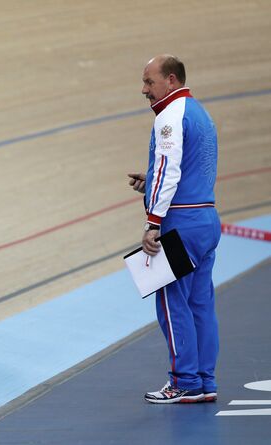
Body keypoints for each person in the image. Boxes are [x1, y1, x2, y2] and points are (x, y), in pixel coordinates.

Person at [128, 55, 221, 404]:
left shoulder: (168, 117)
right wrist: (149, 180)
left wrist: (153, 222)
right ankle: (204, 381)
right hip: (205, 219)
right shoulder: (200, 113)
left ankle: (183, 380)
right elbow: (187, 168)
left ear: (170, 80)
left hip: (179, 224)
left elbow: (168, 168)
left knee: (171, 302)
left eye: (149, 82)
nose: (144, 90)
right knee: (200, 303)